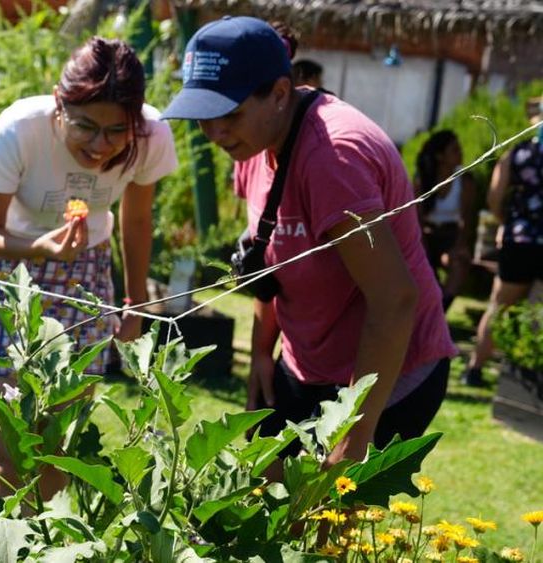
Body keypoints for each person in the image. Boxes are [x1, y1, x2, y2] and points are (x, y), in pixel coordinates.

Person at [161, 16, 456, 467]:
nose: (214, 133)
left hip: (386, 373)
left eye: (229, 115)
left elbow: (395, 299)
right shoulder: (254, 144)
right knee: (264, 500)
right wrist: (262, 352)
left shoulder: (333, 159)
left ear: (280, 94)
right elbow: (270, 258)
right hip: (308, 362)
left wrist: (354, 436)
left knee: (323, 523)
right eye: (204, 118)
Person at [0, 36, 178, 498]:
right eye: (86, 126)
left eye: (117, 131)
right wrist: (39, 248)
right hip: (7, 273)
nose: (101, 145)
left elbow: (136, 219)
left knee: (56, 447)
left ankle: (46, 545)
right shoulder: (20, 128)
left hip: (85, 274)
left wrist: (134, 301)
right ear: (60, 104)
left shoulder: (152, 135)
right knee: (9, 452)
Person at [462, 96, 543, 387]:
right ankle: (527, 374)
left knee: (500, 307)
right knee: (538, 312)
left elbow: (495, 196)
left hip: (520, 239)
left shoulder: (517, 153)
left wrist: (507, 222)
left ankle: (474, 368)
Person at [414, 130, 476, 310]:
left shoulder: (464, 180)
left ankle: (440, 308)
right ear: (440, 156)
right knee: (419, 264)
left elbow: (467, 218)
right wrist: (422, 245)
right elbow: (416, 218)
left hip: (451, 235)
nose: (461, 153)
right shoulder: (423, 179)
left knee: (459, 264)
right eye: (455, 150)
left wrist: (459, 245)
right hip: (426, 235)